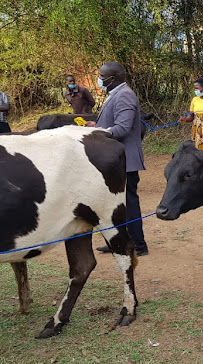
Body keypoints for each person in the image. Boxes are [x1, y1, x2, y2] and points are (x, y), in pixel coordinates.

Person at [89, 62, 149, 256]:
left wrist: (98, 132)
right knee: (115, 204)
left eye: (101, 76)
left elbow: (122, 129)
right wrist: (96, 125)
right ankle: (118, 242)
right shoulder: (116, 94)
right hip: (115, 160)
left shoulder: (125, 95)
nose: (99, 79)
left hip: (125, 160)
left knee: (129, 203)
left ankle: (138, 245)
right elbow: (113, 124)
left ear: (112, 78)